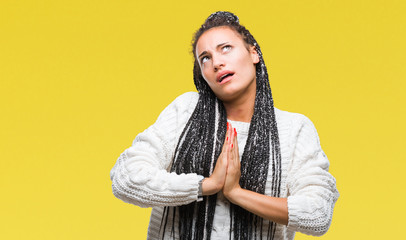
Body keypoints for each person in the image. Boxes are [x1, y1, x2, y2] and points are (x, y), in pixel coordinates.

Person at [110, 11, 339, 240]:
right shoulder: (186, 111)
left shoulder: (293, 129)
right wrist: (205, 185)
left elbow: (317, 214)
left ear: (253, 53)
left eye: (225, 48)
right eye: (205, 58)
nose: (217, 63)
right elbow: (126, 178)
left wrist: (236, 193)